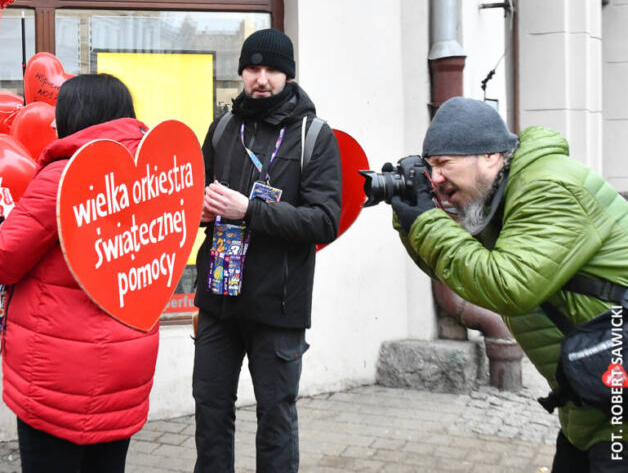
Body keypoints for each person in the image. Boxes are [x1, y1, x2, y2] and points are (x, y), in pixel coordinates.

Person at [388, 97, 628, 473]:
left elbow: (507, 285)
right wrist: (409, 218)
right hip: (593, 405)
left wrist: (425, 223)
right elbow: (462, 272)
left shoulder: (548, 189)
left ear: (488, 157)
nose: (434, 178)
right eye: (430, 167)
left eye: (444, 164)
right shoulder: (503, 195)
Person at [0, 73, 160, 473]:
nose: (52, 123)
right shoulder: (152, 174)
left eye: (60, 112)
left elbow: (0, 259)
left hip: (61, 374)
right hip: (126, 365)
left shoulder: (64, 175)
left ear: (80, 114)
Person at [193, 28, 342, 473]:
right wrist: (197, 210)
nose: (262, 78)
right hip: (219, 299)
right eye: (253, 68)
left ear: (289, 75)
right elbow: (193, 195)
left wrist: (250, 211)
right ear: (241, 72)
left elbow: (324, 220)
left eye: (272, 70)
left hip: (278, 307)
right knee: (209, 412)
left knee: (276, 419)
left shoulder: (314, 136)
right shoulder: (222, 128)